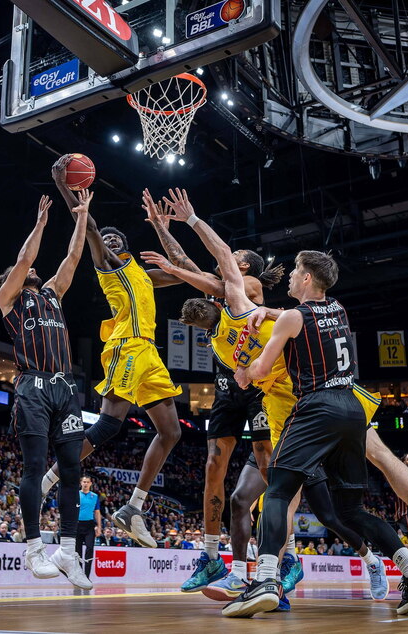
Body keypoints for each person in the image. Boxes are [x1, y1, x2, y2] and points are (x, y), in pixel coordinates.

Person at [223, 251, 408, 617]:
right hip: (352, 408)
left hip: (316, 407)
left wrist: (242, 368)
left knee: (277, 488)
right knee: (351, 510)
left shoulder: (293, 316)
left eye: (295, 271)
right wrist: (272, 314)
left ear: (307, 278)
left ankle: (265, 579)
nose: (291, 277)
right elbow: (300, 319)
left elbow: (258, 371)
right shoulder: (338, 309)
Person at [139, 188, 280, 594]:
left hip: (257, 383)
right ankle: (212, 556)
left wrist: (185, 236)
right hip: (226, 385)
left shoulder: (247, 283)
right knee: (213, 467)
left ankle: (281, 557)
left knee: (265, 461)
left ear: (244, 265)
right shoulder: (217, 283)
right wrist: (161, 228)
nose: (227, 257)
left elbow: (197, 271)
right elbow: (184, 262)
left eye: (232, 256)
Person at [42, 157, 183, 549]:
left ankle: (133, 507)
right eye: (108, 239)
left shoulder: (142, 273)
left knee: (171, 431)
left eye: (118, 238)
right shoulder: (107, 265)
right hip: (125, 346)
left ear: (130, 245)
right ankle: (49, 478)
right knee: (108, 425)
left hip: (150, 354)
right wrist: (66, 189)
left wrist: (164, 230)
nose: (112, 240)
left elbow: (185, 271)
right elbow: (88, 228)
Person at [0, 188, 92, 590]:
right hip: (32, 386)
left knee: (71, 470)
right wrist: (41, 224)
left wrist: (82, 215)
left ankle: (67, 551)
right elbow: (24, 259)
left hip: (66, 388)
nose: (35, 271)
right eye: (27, 272)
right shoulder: (9, 300)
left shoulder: (52, 294)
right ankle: (33, 547)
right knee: (34, 467)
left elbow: (73, 258)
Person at [76, 476, 102, 578]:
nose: (85, 484)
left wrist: (99, 527)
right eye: (84, 482)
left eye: (87, 482)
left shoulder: (94, 496)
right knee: (77, 551)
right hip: (77, 525)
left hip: (89, 525)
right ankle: (78, 575)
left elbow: (97, 512)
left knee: (90, 548)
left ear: (91, 483)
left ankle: (86, 576)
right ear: (81, 483)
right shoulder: (76, 494)